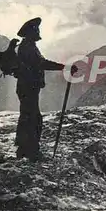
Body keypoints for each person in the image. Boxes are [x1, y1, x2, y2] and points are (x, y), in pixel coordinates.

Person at [14, 17, 65, 162]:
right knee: (33, 118)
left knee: (27, 116)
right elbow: (41, 63)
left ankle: (23, 149)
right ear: (31, 32)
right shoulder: (29, 47)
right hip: (29, 87)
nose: (38, 32)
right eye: (36, 30)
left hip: (26, 87)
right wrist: (63, 67)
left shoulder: (27, 46)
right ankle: (32, 152)